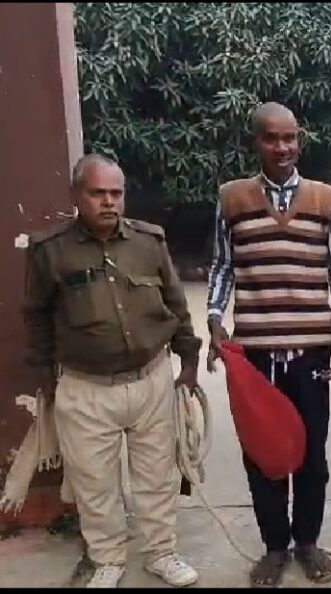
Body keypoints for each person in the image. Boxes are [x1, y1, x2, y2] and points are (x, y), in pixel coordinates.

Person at [22, 153, 202, 588]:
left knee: (157, 476)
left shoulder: (148, 242)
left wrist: (189, 361)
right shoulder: (50, 250)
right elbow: (36, 315)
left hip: (150, 379)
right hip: (85, 386)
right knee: (94, 482)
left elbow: (176, 303)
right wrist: (48, 381)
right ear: (76, 195)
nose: (109, 202)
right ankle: (107, 558)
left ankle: (161, 553)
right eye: (98, 193)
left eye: (116, 193)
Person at [206, 102, 331, 587]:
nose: (282, 147)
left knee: (312, 453)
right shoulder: (232, 198)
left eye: (290, 137)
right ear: (256, 142)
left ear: (300, 141)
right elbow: (223, 266)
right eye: (271, 138)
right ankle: (274, 547)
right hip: (255, 354)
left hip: (311, 352)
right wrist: (214, 318)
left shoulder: (325, 200)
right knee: (263, 453)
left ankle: (307, 542)